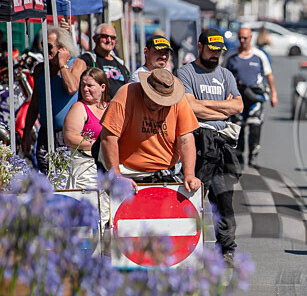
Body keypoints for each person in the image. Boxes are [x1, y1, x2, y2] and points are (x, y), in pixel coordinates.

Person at [177, 29, 243, 264]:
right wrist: (221, 106)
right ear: (200, 46)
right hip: (195, 141)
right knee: (190, 196)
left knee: (223, 199)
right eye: (212, 50)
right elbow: (189, 107)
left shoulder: (225, 74)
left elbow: (238, 106)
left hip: (222, 143)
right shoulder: (186, 73)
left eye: (219, 51)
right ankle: (184, 249)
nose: (215, 55)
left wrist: (204, 105)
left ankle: (226, 250)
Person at [98, 68, 201, 195]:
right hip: (128, 174)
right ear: (145, 90)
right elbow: (109, 138)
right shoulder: (126, 94)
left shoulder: (178, 100)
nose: (160, 105)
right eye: (156, 100)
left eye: (164, 101)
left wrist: (189, 175)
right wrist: (117, 175)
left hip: (166, 173)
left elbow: (186, 139)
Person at [22, 27, 82, 173]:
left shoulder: (76, 64)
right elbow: (35, 102)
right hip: (45, 132)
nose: (45, 50)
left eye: (49, 46)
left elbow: (72, 88)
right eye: (43, 45)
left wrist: (62, 64)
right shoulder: (40, 70)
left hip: (68, 133)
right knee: (45, 174)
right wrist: (27, 132)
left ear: (62, 48)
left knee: (65, 176)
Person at [224, 26, 278, 165]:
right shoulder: (231, 56)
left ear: (251, 38)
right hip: (238, 98)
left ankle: (253, 154)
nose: (242, 41)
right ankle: (240, 154)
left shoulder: (259, 55)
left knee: (255, 125)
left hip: (255, 96)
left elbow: (269, 75)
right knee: (238, 126)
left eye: (245, 38)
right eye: (240, 38)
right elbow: (222, 75)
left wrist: (274, 94)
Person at [63, 68, 109, 189]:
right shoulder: (79, 107)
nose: (85, 89)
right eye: (83, 85)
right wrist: (99, 146)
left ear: (102, 87)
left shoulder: (111, 108)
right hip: (86, 169)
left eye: (90, 85)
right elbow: (70, 137)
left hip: (109, 166)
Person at [77, 23, 130, 98]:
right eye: (105, 36)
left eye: (113, 38)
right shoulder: (87, 59)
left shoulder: (120, 63)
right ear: (95, 38)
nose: (109, 40)